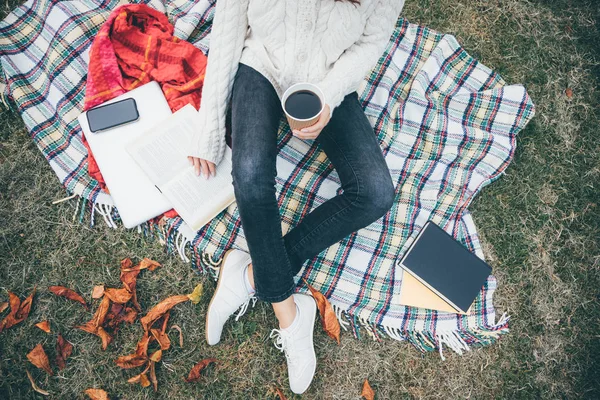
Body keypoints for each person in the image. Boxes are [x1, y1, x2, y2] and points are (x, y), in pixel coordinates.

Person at [187, 0, 404, 394]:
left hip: (324, 80)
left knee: (375, 192)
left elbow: (371, 43)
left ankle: (250, 276)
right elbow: (229, 29)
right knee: (251, 176)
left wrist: (329, 92)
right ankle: (290, 315)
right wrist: (210, 127)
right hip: (263, 65)